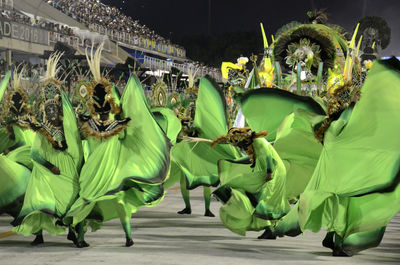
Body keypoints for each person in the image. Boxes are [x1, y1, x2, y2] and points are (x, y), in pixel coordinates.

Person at [13, 52, 84, 245]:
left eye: (55, 109)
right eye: (48, 109)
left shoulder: (68, 127)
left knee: (71, 201)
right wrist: (50, 167)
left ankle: (73, 231)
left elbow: (76, 146)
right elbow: (35, 153)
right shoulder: (42, 130)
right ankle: (38, 235)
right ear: (45, 111)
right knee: (42, 201)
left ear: (60, 112)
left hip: (67, 169)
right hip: (47, 169)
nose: (52, 112)